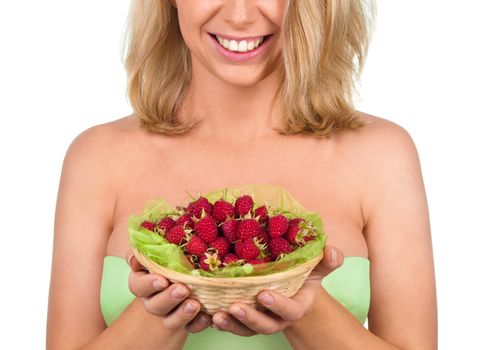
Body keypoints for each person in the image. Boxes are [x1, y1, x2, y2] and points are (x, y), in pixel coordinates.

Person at [46, 0, 437, 349]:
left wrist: (307, 307)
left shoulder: (382, 155)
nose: (239, 14)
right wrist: (164, 310)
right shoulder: (97, 157)